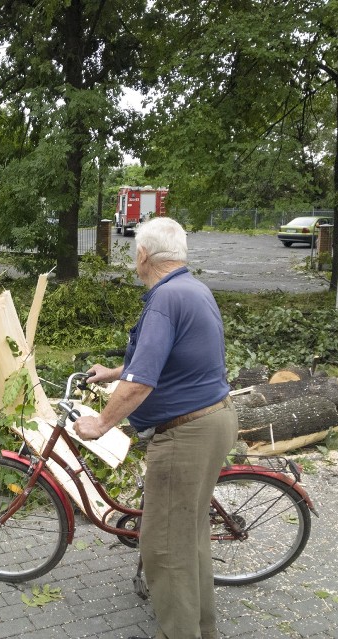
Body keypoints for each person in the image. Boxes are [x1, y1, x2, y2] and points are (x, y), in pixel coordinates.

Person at [73, 217, 238, 639]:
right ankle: (202, 628)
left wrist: (101, 423)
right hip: (214, 420)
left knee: (164, 546)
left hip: (186, 434)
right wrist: (113, 372)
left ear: (143, 255)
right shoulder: (193, 289)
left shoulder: (164, 300)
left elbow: (143, 381)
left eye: (134, 254)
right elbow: (167, 358)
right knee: (190, 535)